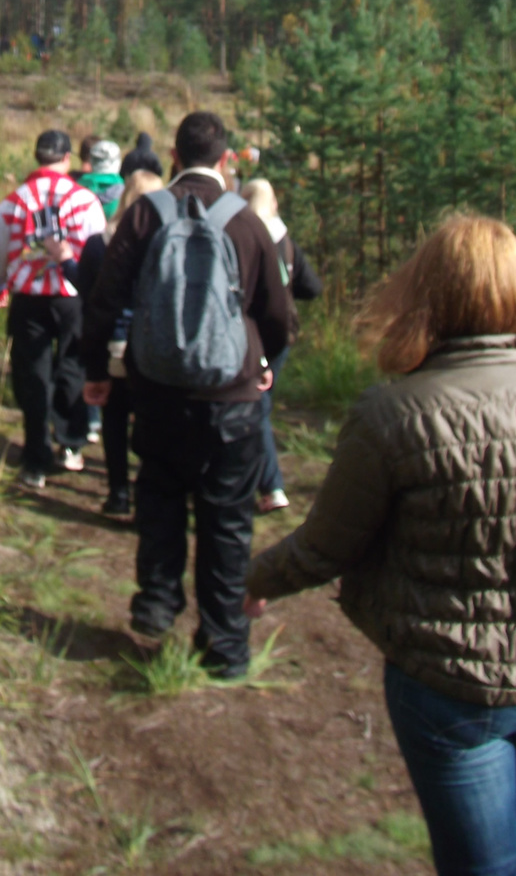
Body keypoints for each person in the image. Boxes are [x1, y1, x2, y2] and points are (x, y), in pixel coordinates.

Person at [245, 217, 516, 876]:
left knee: (484, 860)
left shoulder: (393, 415)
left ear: (421, 300)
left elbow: (326, 547)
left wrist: (250, 581)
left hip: (447, 683)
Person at [81, 110, 291, 677]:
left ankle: (156, 600)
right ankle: (224, 648)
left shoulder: (145, 216)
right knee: (227, 521)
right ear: (226, 160)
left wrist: (96, 367)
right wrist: (265, 360)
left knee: (161, 495)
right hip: (233, 398)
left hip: (158, 391)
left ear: (173, 157)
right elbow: (277, 313)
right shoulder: (246, 222)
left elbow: (104, 299)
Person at [0, 128, 107, 489]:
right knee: (72, 364)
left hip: (28, 297)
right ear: (67, 158)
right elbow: (97, 252)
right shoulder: (85, 201)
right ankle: (70, 444)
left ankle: (35, 457)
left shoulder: (13, 202)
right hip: (71, 295)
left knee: (32, 375)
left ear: (37, 157)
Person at [67, 167, 164, 517]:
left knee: (114, 418)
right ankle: (150, 495)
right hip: (157, 344)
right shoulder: (170, 238)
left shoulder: (100, 242)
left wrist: (91, 359)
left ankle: (118, 492)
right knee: (154, 423)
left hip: (116, 343)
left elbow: (92, 299)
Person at [240, 178, 323, 513]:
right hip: (282, 336)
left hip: (252, 335)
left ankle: (271, 486)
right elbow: (312, 287)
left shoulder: (243, 236)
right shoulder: (285, 240)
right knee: (259, 406)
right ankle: (260, 477)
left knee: (255, 409)